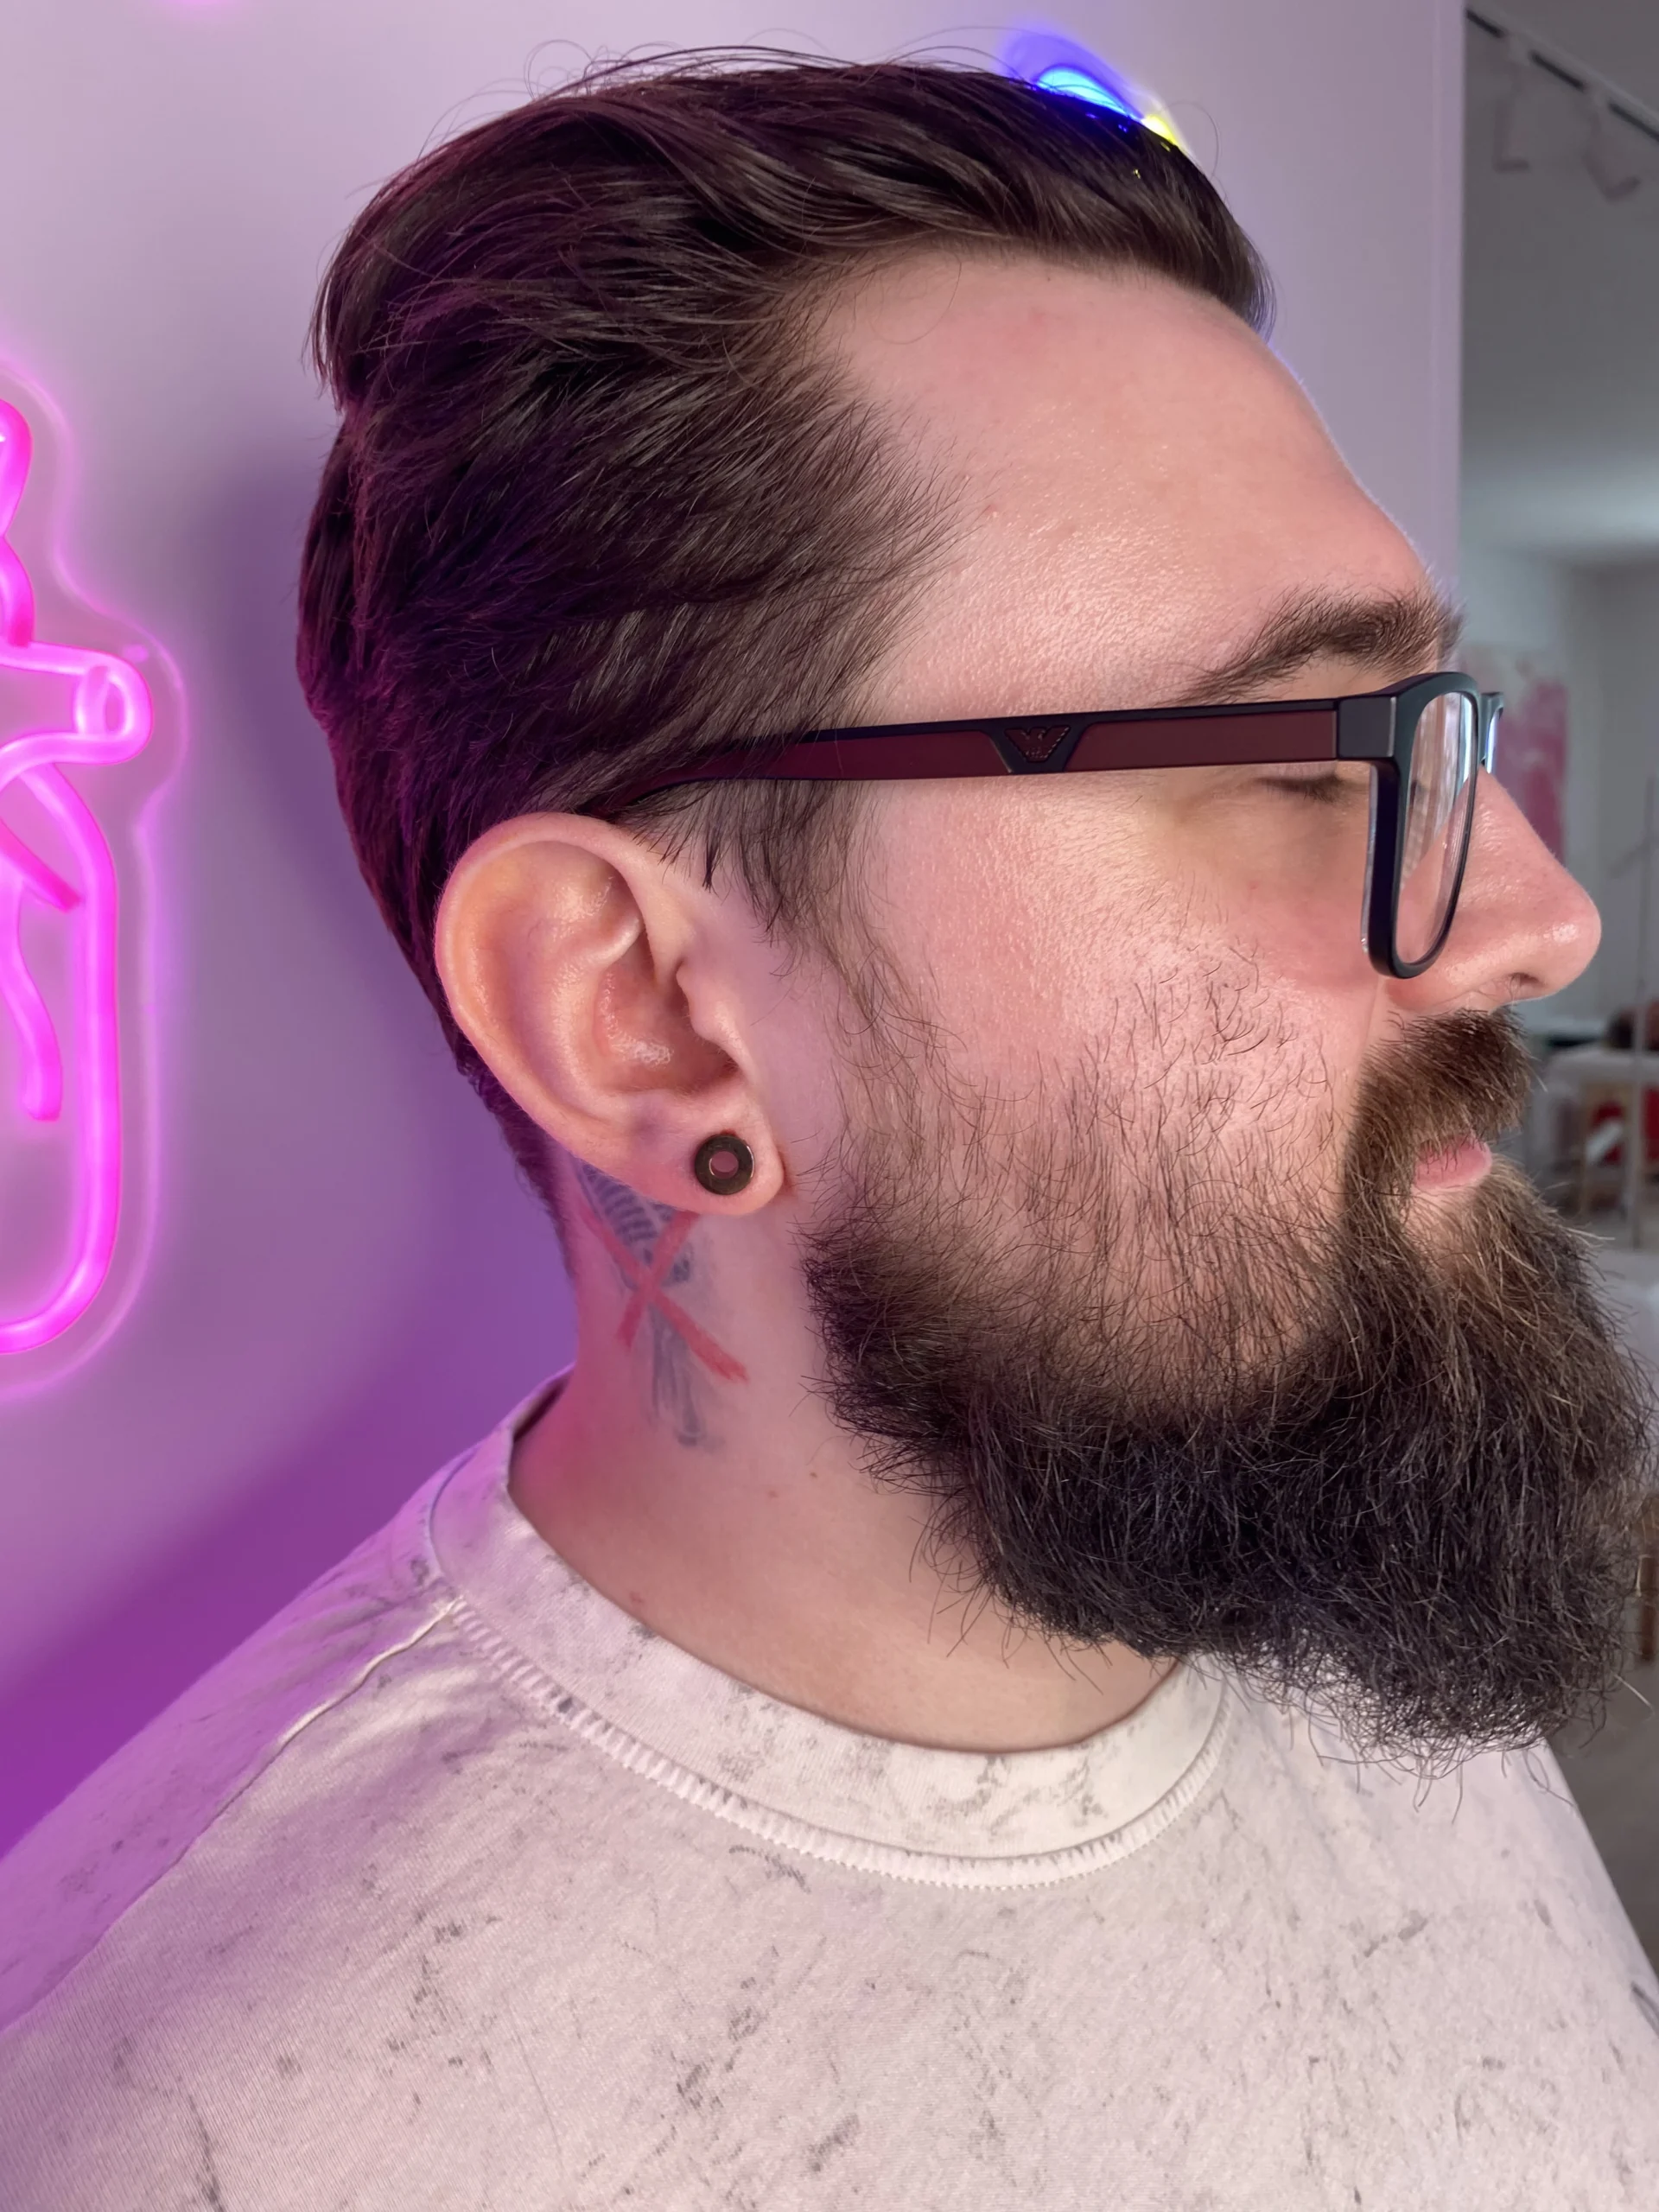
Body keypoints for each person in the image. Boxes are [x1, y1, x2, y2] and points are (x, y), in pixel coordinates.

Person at [3, 54, 1657, 2209]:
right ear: (644, 1014)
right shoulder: (222, 2133)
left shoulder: (1321, 1530)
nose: (1544, 916)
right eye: (1292, 755)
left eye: (1434, 731)